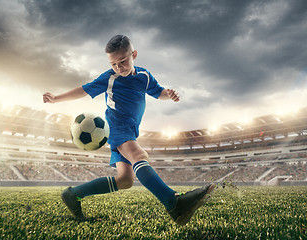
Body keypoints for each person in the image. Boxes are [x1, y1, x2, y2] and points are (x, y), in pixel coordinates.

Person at [43, 35, 215, 225]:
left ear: (134, 54)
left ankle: (73, 194)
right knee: (139, 155)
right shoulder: (109, 78)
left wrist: (170, 94)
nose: (118, 67)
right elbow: (84, 89)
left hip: (130, 130)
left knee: (125, 180)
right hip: (117, 127)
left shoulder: (144, 76)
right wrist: (56, 98)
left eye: (123, 61)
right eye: (113, 63)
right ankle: (173, 203)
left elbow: (158, 92)